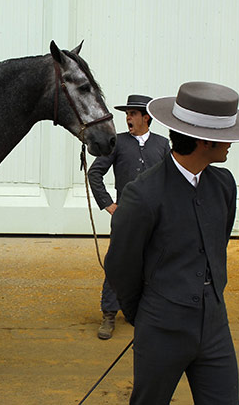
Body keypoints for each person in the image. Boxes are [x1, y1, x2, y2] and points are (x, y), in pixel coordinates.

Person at [105, 81, 239, 404]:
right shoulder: (143, 194)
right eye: (225, 138)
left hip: (215, 325)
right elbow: (120, 265)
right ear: (205, 141)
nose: (230, 145)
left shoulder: (223, 185)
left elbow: (216, 246)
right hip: (162, 326)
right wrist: (147, 315)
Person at [88, 94, 170, 340]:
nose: (128, 118)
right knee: (118, 263)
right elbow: (95, 173)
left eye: (132, 114)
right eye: (127, 114)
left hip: (156, 219)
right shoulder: (118, 143)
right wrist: (109, 205)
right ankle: (109, 314)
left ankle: (146, 312)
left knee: (155, 264)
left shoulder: (162, 145)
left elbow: (172, 180)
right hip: (125, 217)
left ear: (146, 118)